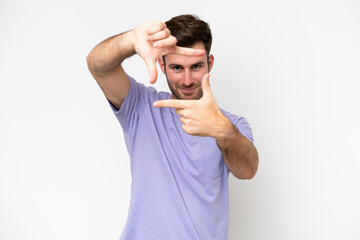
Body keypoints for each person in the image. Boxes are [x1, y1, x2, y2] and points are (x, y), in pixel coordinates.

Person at [86, 14, 258, 240]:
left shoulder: (231, 124)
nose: (187, 80)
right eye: (177, 67)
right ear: (162, 64)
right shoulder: (141, 106)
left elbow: (248, 170)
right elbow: (97, 65)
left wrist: (222, 131)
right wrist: (130, 40)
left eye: (196, 66)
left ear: (210, 63)